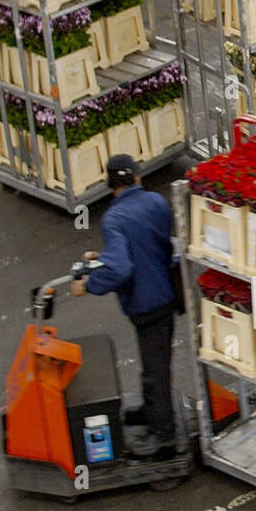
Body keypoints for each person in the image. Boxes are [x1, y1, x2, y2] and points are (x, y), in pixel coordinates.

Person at [71, 154, 182, 458]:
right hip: (166, 294)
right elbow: (149, 242)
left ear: (111, 185)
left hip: (146, 304)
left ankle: (164, 438)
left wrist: (89, 285)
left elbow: (121, 269)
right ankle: (150, 410)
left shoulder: (114, 218)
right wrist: (102, 258)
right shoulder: (156, 203)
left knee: (155, 370)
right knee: (153, 363)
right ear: (135, 178)